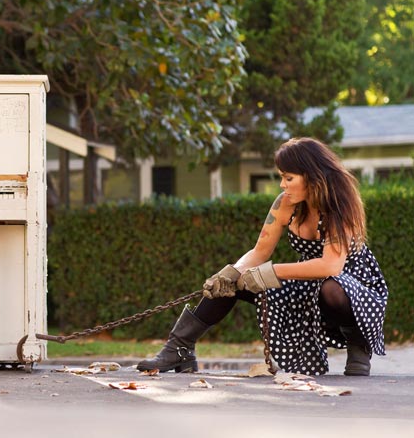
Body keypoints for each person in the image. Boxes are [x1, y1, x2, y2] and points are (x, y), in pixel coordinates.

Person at [136, 137, 388, 376]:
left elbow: (330, 266)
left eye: (288, 178)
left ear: (312, 176)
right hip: (307, 281)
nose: (282, 185)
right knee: (231, 284)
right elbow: (260, 251)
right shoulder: (285, 203)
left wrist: (271, 272)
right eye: (282, 178)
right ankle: (179, 348)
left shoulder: (338, 206)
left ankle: (358, 342)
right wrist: (233, 272)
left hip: (354, 286)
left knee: (332, 288)